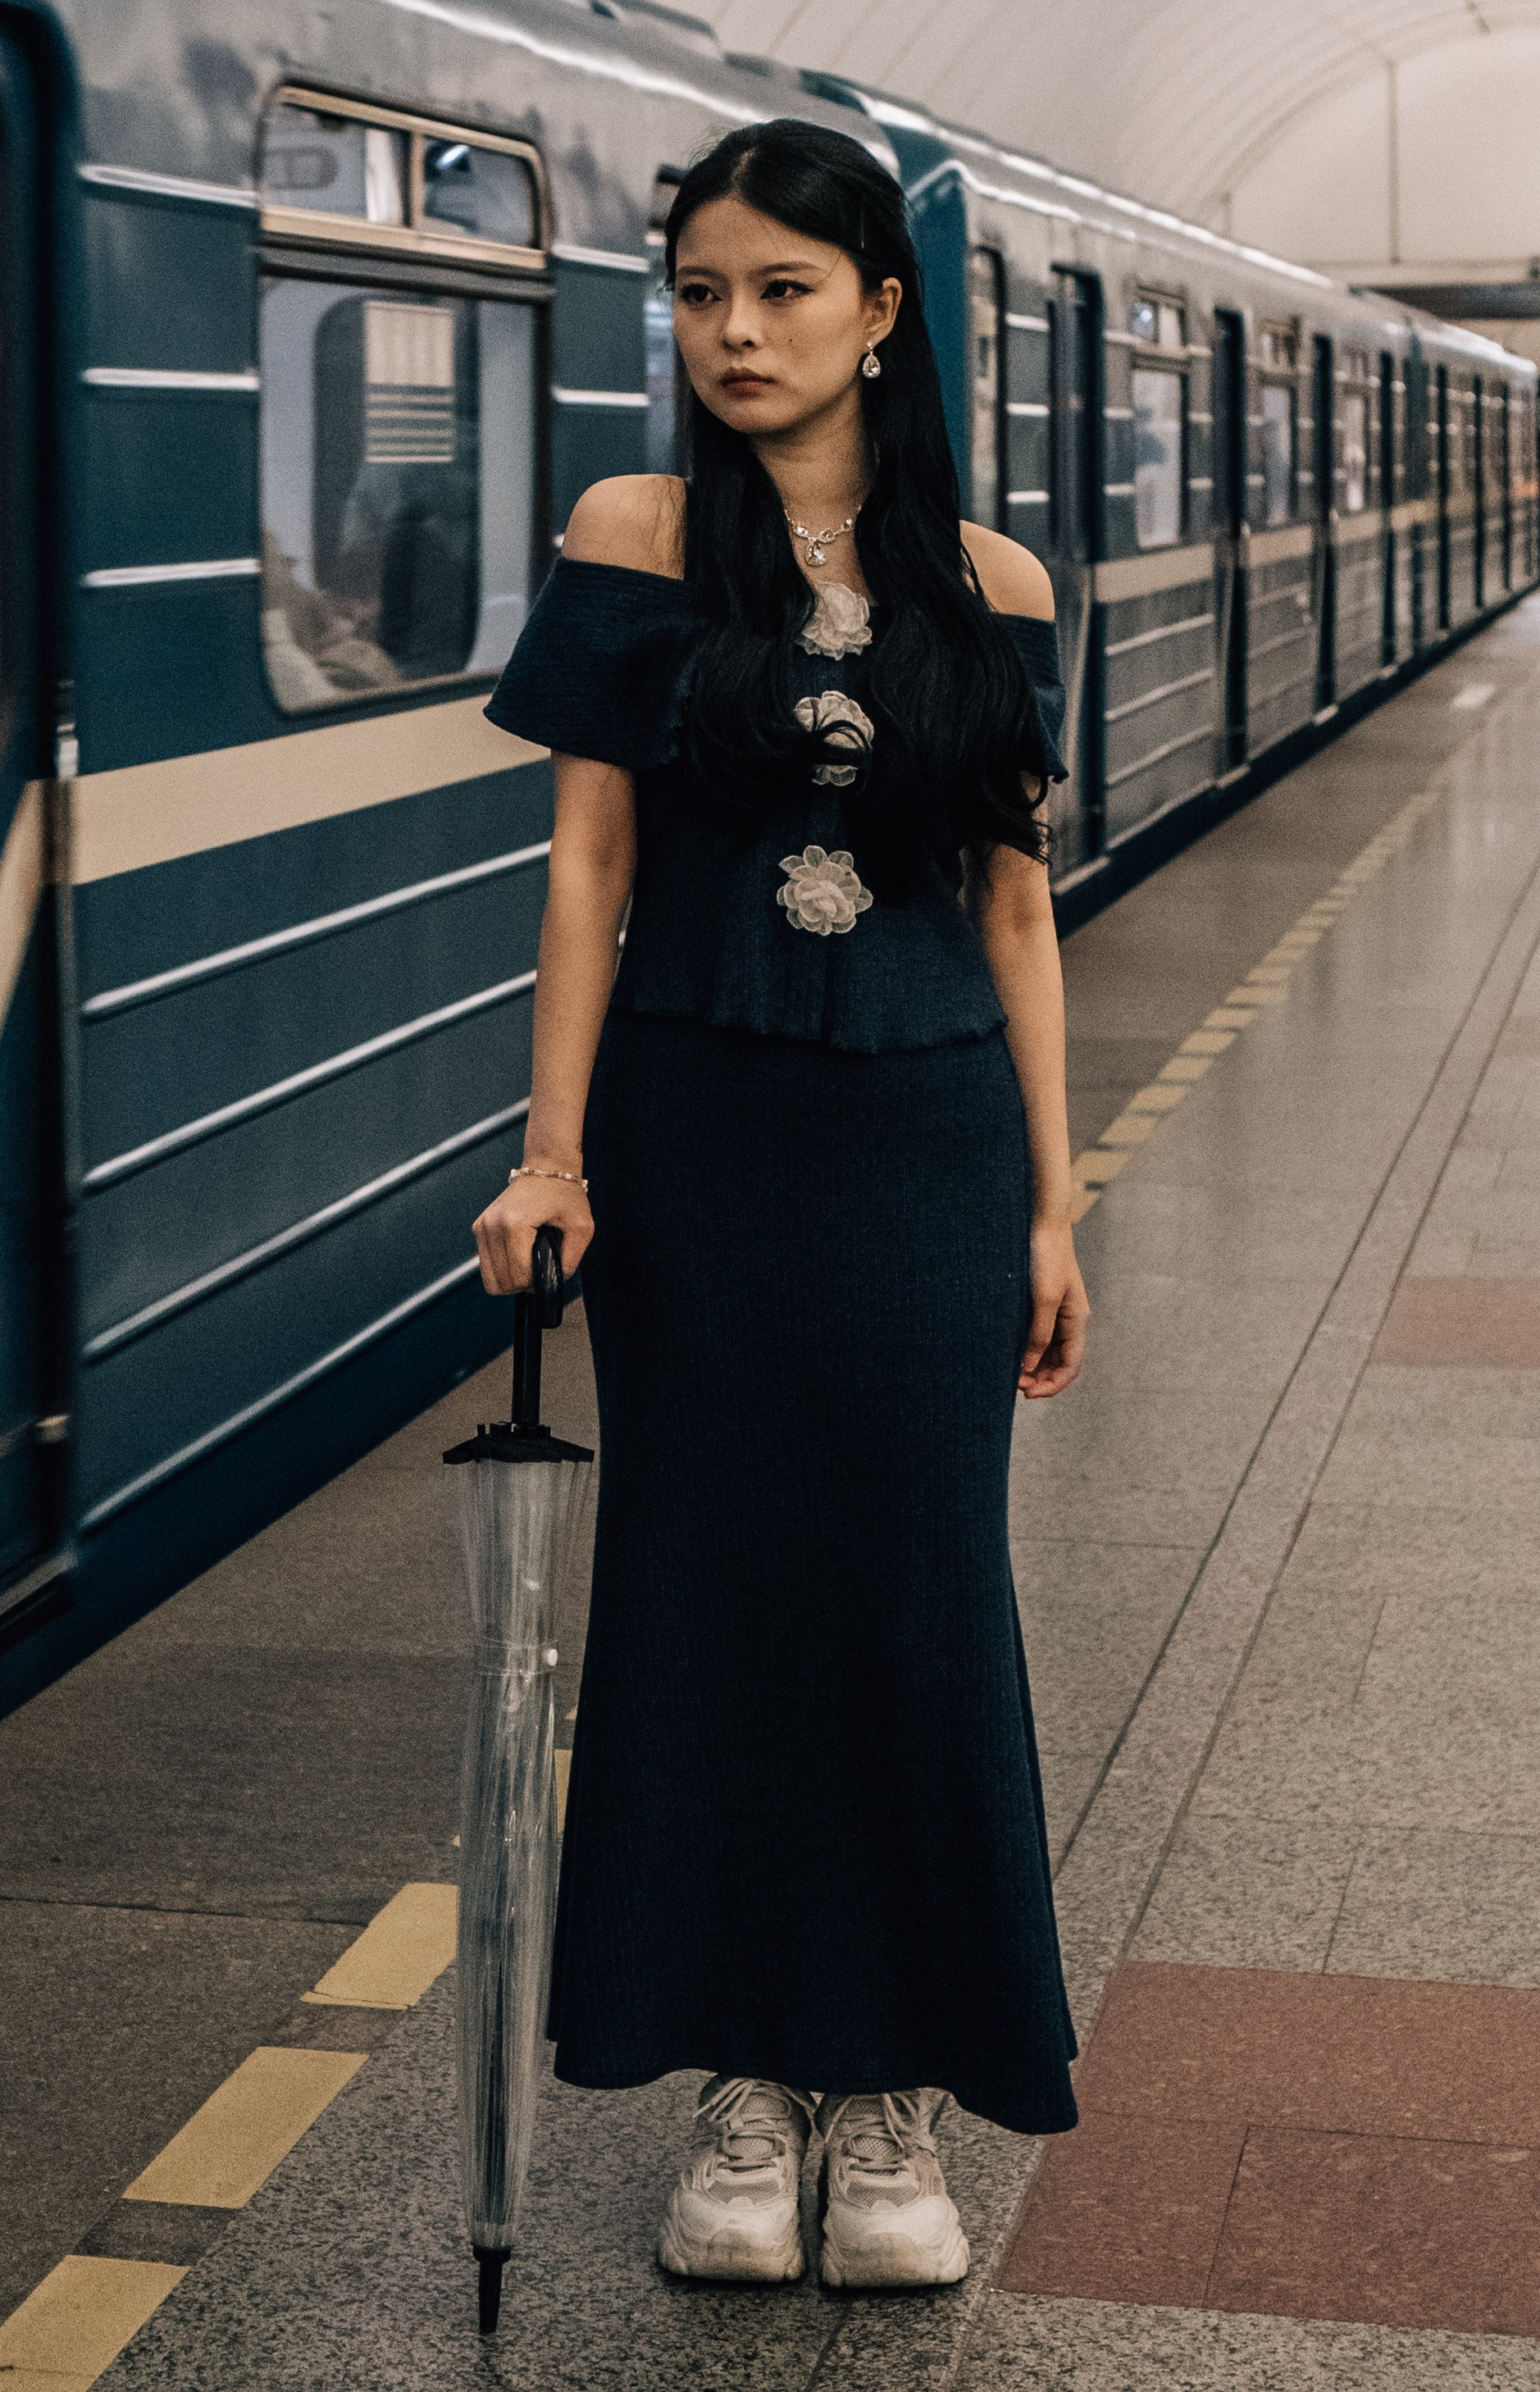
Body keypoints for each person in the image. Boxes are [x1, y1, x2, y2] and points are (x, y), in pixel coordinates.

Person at [473, 118, 1087, 2295]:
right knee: (708, 1581)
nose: (736, 334)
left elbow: (1015, 913)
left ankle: (896, 2088)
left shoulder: (992, 585)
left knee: (920, 1591)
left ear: (882, 317)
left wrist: (1048, 1203)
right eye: (704, 292)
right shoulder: (633, 536)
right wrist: (550, 1158)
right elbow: (590, 874)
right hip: (699, 1134)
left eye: (784, 293)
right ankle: (742, 2085)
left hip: (925, 1135)